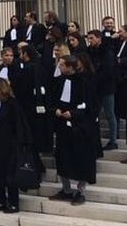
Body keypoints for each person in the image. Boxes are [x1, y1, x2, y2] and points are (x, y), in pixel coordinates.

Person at [49, 55, 98, 206]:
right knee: (63, 158)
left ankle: (80, 191)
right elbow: (52, 100)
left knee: (81, 159)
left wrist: (74, 113)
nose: (60, 67)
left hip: (80, 127)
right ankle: (66, 189)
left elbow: (89, 105)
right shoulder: (58, 81)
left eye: (62, 65)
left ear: (70, 67)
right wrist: (56, 110)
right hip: (62, 125)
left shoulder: (84, 82)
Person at [0, 78, 32, 214]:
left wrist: (19, 144)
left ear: (0, 89)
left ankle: (13, 202)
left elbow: (19, 126)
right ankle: (0, 200)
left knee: (9, 175)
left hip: (9, 146)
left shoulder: (12, 104)